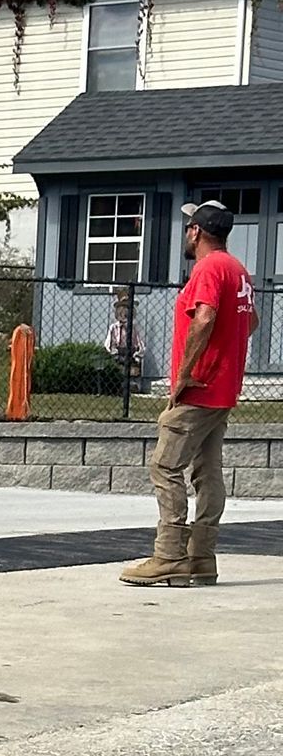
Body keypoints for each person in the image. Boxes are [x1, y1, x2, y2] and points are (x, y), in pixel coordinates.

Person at [120, 199, 258, 588]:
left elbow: (206, 316)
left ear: (197, 231)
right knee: (207, 473)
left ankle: (169, 556)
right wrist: (224, 359)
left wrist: (183, 376)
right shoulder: (238, 270)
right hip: (223, 391)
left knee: (164, 467)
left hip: (198, 391)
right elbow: (250, 322)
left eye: (188, 227)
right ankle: (202, 558)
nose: (185, 234)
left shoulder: (210, 267)